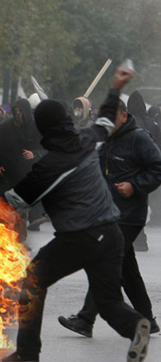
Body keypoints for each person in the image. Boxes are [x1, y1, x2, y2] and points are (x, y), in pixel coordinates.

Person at [1, 69, 150, 362]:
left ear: (42, 129)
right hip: (112, 233)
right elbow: (106, 119)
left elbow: (16, 200)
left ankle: (27, 354)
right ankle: (136, 325)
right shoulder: (87, 138)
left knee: (31, 283)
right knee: (107, 302)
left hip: (80, 238)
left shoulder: (51, 165)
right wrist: (116, 87)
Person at [57, 96, 161, 337]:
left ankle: (85, 319)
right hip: (108, 213)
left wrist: (135, 185)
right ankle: (147, 319)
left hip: (129, 216)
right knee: (127, 269)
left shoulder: (139, 139)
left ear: (124, 117)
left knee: (104, 262)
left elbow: (158, 168)